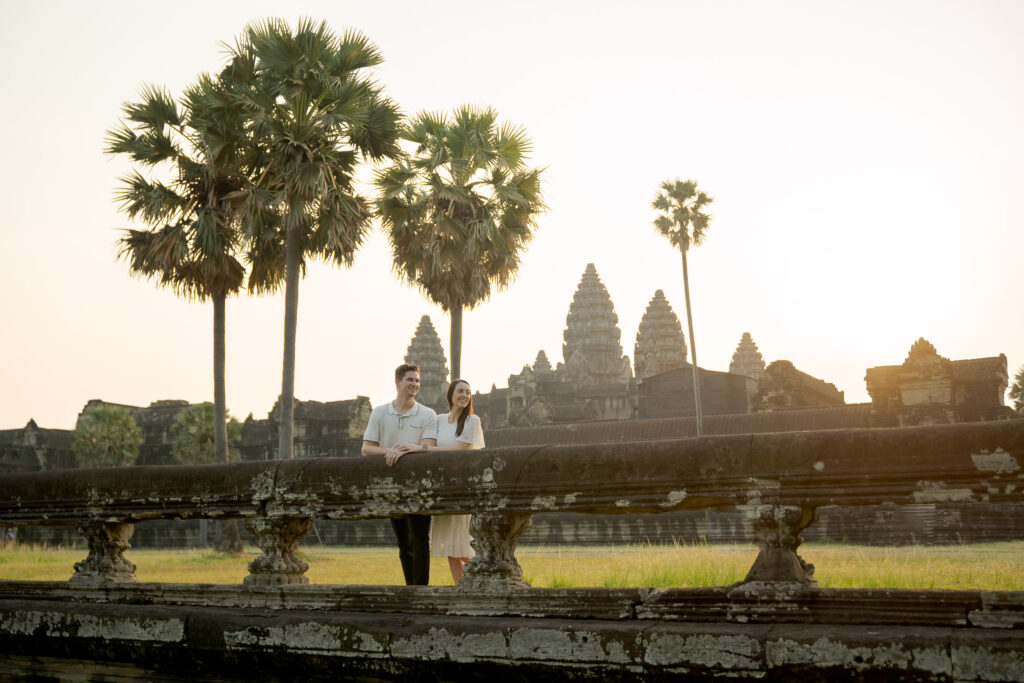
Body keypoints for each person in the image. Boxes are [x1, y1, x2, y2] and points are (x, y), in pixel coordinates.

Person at [362, 364, 437, 585]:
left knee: (420, 538)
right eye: (410, 380)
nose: (414, 384)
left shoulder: (427, 414)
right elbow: (366, 449)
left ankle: (420, 590)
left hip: (418, 484)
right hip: (392, 484)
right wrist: (390, 450)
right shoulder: (380, 412)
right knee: (403, 541)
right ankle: (409, 587)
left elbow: (429, 446)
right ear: (398, 383)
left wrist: (408, 448)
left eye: (417, 381)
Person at [423, 379, 485, 585]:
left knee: (462, 540)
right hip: (443, 486)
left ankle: (490, 570)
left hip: (464, 486)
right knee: (450, 543)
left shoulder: (472, 421)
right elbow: (428, 443)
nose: (465, 396)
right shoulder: (438, 419)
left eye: (468, 392)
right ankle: (460, 586)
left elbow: (459, 450)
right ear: (450, 394)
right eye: (460, 391)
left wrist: (423, 450)